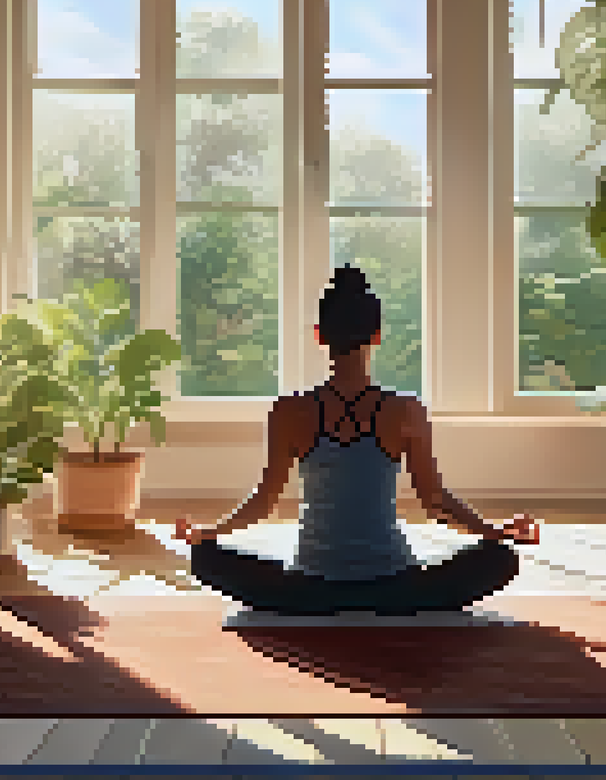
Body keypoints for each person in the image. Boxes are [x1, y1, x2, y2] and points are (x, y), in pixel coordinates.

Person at [176, 264, 540, 616]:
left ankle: (324, 601)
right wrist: (496, 532)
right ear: (377, 336)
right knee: (500, 559)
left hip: (311, 587)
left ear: (320, 335)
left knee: (205, 558)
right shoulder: (406, 411)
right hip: (394, 585)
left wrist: (208, 533)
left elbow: (264, 502)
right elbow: (435, 501)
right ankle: (386, 603)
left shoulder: (289, 410)